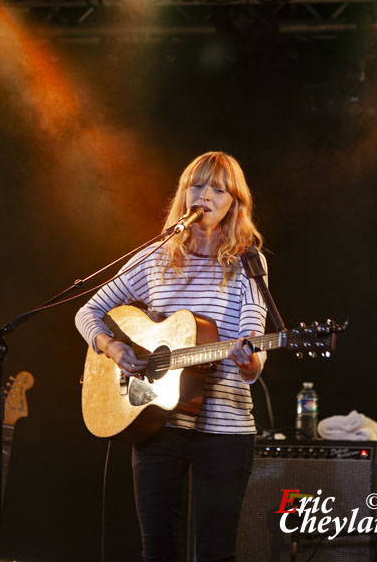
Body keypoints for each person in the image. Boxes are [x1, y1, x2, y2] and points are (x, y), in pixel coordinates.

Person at [75, 151, 268, 562]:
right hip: (156, 422)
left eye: (218, 189)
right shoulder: (155, 258)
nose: (206, 195)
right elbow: (87, 311)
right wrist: (112, 346)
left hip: (226, 429)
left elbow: (254, 332)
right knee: (158, 551)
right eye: (197, 186)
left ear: (235, 202)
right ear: (183, 194)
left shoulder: (248, 263)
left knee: (215, 551)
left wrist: (251, 361)